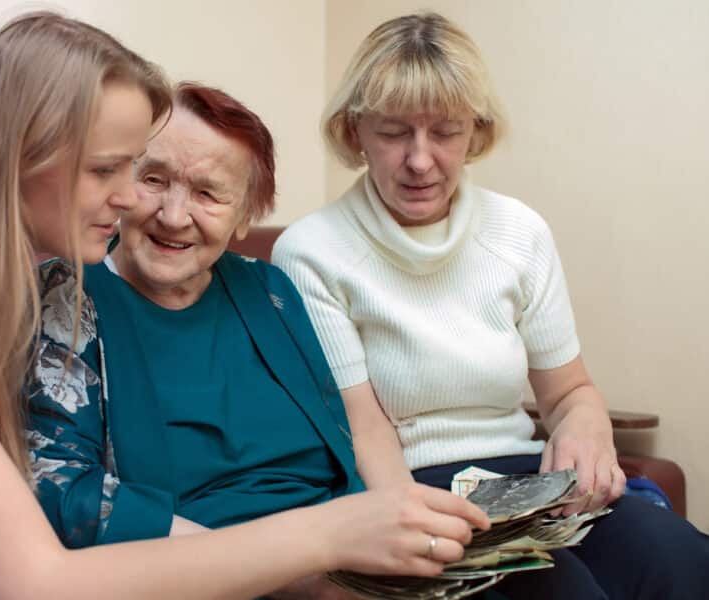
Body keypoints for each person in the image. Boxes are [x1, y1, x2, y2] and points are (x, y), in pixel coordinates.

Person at [0, 11, 490, 600]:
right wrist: (330, 536)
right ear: (19, 152)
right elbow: (31, 580)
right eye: (114, 170)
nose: (139, 202)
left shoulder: (41, 268)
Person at [272, 12, 709, 600]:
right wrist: (416, 531)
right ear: (355, 133)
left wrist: (587, 430)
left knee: (679, 560)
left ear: (476, 132)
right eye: (395, 132)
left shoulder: (517, 232)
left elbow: (568, 391)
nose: (421, 160)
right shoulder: (312, 251)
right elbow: (363, 428)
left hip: (529, 479)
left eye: (445, 132)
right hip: (410, 487)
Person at [26, 82, 490, 600]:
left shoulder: (269, 289)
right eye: (154, 179)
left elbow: (352, 432)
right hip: (215, 578)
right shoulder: (67, 298)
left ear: (246, 215)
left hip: (357, 569)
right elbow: (63, 491)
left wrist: (408, 531)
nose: (175, 214)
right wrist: (289, 569)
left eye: (207, 194)